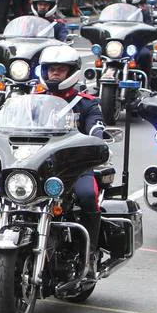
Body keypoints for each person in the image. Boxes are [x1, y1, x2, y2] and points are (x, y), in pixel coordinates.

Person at [35, 44, 105, 251]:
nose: (55, 73)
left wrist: (96, 137)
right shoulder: (33, 101)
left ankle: (89, 250)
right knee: (6, 191)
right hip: (37, 164)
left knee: (87, 196)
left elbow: (96, 127)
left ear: (72, 73)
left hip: (74, 167)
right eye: (51, 68)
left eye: (61, 69)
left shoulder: (86, 104)